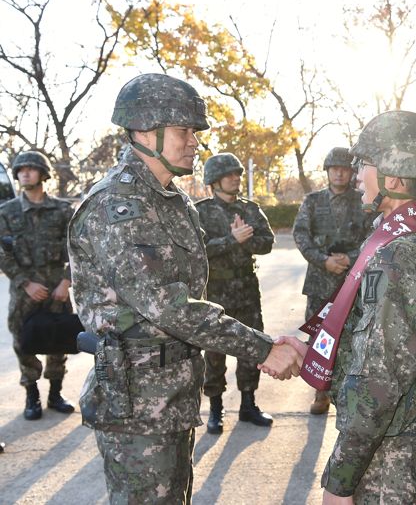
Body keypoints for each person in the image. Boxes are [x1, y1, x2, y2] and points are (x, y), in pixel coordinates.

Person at [67, 73, 305, 504]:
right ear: (145, 130)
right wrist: (262, 348)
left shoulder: (171, 201)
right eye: (184, 131)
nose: (194, 141)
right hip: (137, 403)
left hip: (173, 393)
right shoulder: (118, 206)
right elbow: (170, 306)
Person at [321, 110, 416, 504]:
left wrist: (340, 479)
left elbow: (380, 379)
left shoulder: (397, 253)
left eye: (364, 164)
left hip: (387, 459)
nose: (357, 173)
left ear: (394, 179)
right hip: (406, 438)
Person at [197, 152, 276, 434]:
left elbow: (268, 243)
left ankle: (248, 404)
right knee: (214, 351)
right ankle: (215, 409)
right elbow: (198, 251)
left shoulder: (251, 209)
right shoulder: (200, 211)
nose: (235, 178)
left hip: (246, 289)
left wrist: (247, 240)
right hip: (216, 291)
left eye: (238, 174)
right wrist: (232, 240)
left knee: (251, 346)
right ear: (214, 180)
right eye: (229, 174)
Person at [293, 147, 371, 415]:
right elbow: (301, 235)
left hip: (352, 281)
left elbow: (374, 235)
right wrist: (323, 260)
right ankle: (321, 391)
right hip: (319, 281)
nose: (339, 172)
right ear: (327, 171)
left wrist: (351, 258)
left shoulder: (363, 200)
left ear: (351, 172)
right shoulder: (312, 201)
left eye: (345, 168)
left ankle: (349, 393)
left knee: (353, 336)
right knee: (318, 338)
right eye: (334, 168)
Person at [0, 151, 75, 420]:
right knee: (23, 340)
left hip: (58, 286)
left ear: (43, 174)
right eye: (20, 170)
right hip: (24, 291)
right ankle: (32, 395)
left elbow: (76, 248)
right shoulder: (6, 213)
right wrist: (24, 283)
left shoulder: (63, 210)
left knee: (59, 340)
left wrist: (67, 282)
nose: (24, 174)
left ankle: (55, 394)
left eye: (31, 169)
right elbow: (1, 253)